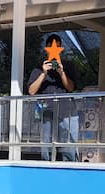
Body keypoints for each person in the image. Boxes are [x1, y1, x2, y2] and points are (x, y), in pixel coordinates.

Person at [27, 33, 79, 161]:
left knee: (68, 140)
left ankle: (71, 166)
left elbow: (71, 88)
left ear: (61, 48)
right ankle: (47, 164)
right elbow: (32, 91)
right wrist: (44, 73)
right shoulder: (38, 69)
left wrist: (61, 73)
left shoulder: (68, 66)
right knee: (46, 141)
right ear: (46, 49)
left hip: (67, 110)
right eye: (50, 47)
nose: (54, 51)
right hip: (46, 110)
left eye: (57, 47)